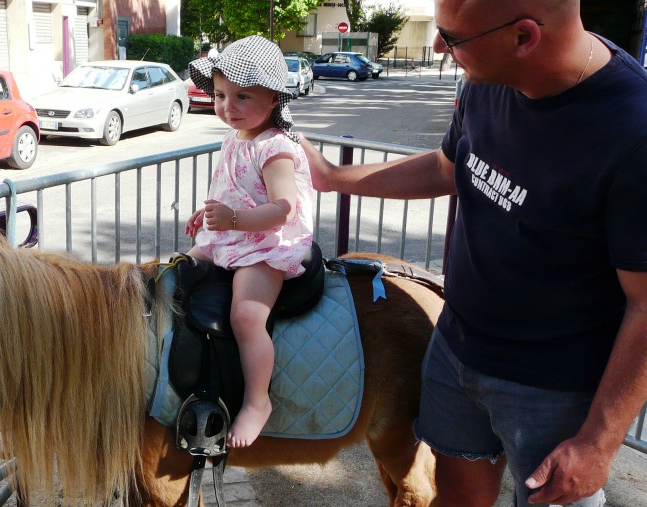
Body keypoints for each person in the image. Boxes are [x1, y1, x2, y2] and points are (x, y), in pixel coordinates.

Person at [300, 1, 647, 505]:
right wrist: (334, 178)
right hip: (456, 349)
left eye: (453, 37)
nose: (438, 46)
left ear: (524, 37)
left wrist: (599, 442)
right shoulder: (486, 81)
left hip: (552, 389)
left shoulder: (633, 131)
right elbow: (446, 167)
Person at [185, 35, 314, 448]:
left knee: (246, 316)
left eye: (243, 96)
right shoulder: (234, 137)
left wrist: (234, 220)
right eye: (221, 95)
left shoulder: (275, 147)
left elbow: (283, 208)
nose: (229, 106)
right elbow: (234, 189)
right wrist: (208, 214)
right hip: (230, 235)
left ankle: (258, 402)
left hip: (265, 244)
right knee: (176, 272)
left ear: (274, 98)